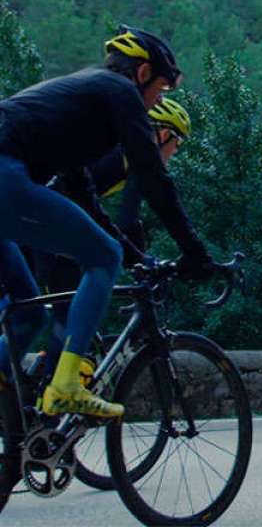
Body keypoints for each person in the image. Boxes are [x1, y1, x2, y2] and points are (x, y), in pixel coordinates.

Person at [0, 26, 213, 417]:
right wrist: (195, 252)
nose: (156, 102)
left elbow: (88, 202)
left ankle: (15, 425)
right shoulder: (119, 92)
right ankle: (64, 386)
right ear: (143, 74)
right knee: (103, 259)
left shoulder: (82, 104)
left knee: (28, 312)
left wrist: (136, 256)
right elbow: (153, 178)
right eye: (161, 91)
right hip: (5, 176)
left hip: (10, 181)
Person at [36, 97, 193, 379]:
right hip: (47, 225)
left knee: (53, 313)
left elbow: (130, 223)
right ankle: (51, 394)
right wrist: (143, 262)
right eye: (177, 143)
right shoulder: (132, 157)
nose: (174, 152)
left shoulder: (118, 154)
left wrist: (140, 258)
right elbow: (127, 221)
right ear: (161, 133)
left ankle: (42, 383)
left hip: (39, 220)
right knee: (70, 312)